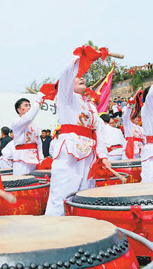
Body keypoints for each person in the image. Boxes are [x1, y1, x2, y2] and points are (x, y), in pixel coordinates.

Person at [45, 46, 110, 216]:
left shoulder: (90, 105)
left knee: (85, 198)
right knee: (62, 197)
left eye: (82, 76)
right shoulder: (66, 98)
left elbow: (98, 132)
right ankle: (53, 238)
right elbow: (66, 76)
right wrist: (81, 59)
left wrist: (103, 156)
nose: (81, 78)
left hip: (90, 156)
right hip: (70, 152)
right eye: (77, 76)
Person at [12, 94, 45, 175]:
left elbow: (39, 142)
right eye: (26, 105)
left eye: (30, 105)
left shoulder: (34, 125)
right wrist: (38, 101)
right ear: (19, 110)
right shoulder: (16, 122)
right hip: (22, 158)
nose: (29, 108)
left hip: (34, 158)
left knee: (34, 184)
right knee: (21, 183)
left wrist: (41, 158)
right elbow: (29, 117)